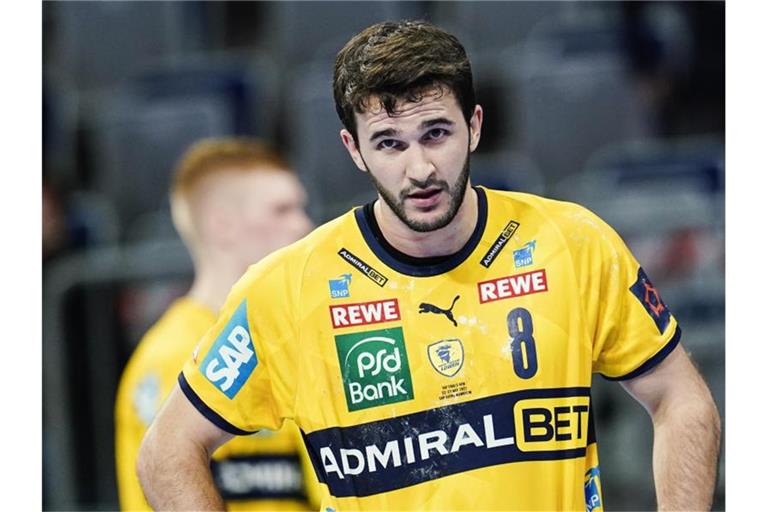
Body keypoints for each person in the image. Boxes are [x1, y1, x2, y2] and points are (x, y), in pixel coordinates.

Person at [137, 21, 721, 511]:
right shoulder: (286, 289)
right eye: (389, 142)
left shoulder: (574, 243)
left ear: (474, 126)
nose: (419, 168)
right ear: (353, 149)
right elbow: (166, 451)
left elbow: (681, 398)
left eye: (435, 133)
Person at [115, 137, 319, 511]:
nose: (303, 224)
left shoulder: (285, 335)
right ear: (222, 225)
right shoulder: (171, 357)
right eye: (282, 210)